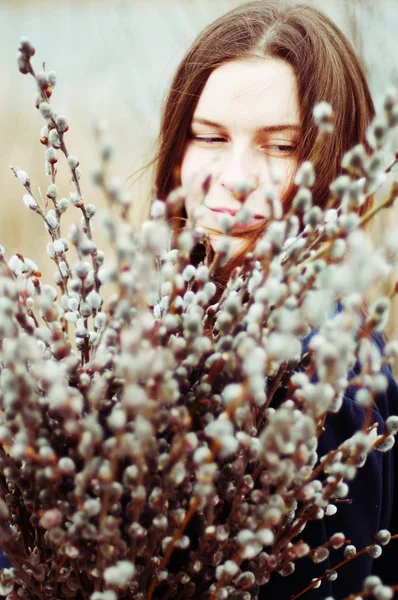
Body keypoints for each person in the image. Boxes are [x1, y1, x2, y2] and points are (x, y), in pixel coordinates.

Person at [148, 1, 398, 598]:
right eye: (209, 137)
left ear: (340, 169)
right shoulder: (167, 319)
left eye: (281, 148)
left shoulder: (319, 381)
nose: (235, 178)